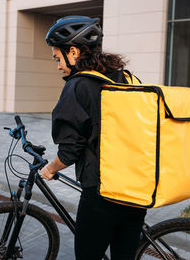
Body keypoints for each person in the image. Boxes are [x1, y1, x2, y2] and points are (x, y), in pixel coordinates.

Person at [40, 16, 146, 260]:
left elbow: (71, 148)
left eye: (58, 58)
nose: (58, 66)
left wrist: (51, 168)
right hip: (136, 186)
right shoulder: (123, 78)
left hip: (103, 193)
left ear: (73, 52)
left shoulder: (78, 85)